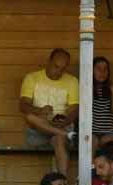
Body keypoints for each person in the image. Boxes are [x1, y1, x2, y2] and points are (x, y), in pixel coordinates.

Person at [20, 48, 79, 178]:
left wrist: (66, 120)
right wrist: (40, 110)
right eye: (56, 66)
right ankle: (67, 135)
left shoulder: (72, 81)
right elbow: (23, 106)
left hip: (61, 126)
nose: (58, 71)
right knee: (30, 116)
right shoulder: (32, 78)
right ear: (48, 61)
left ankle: (62, 181)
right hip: (38, 132)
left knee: (59, 139)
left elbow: (75, 109)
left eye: (63, 69)